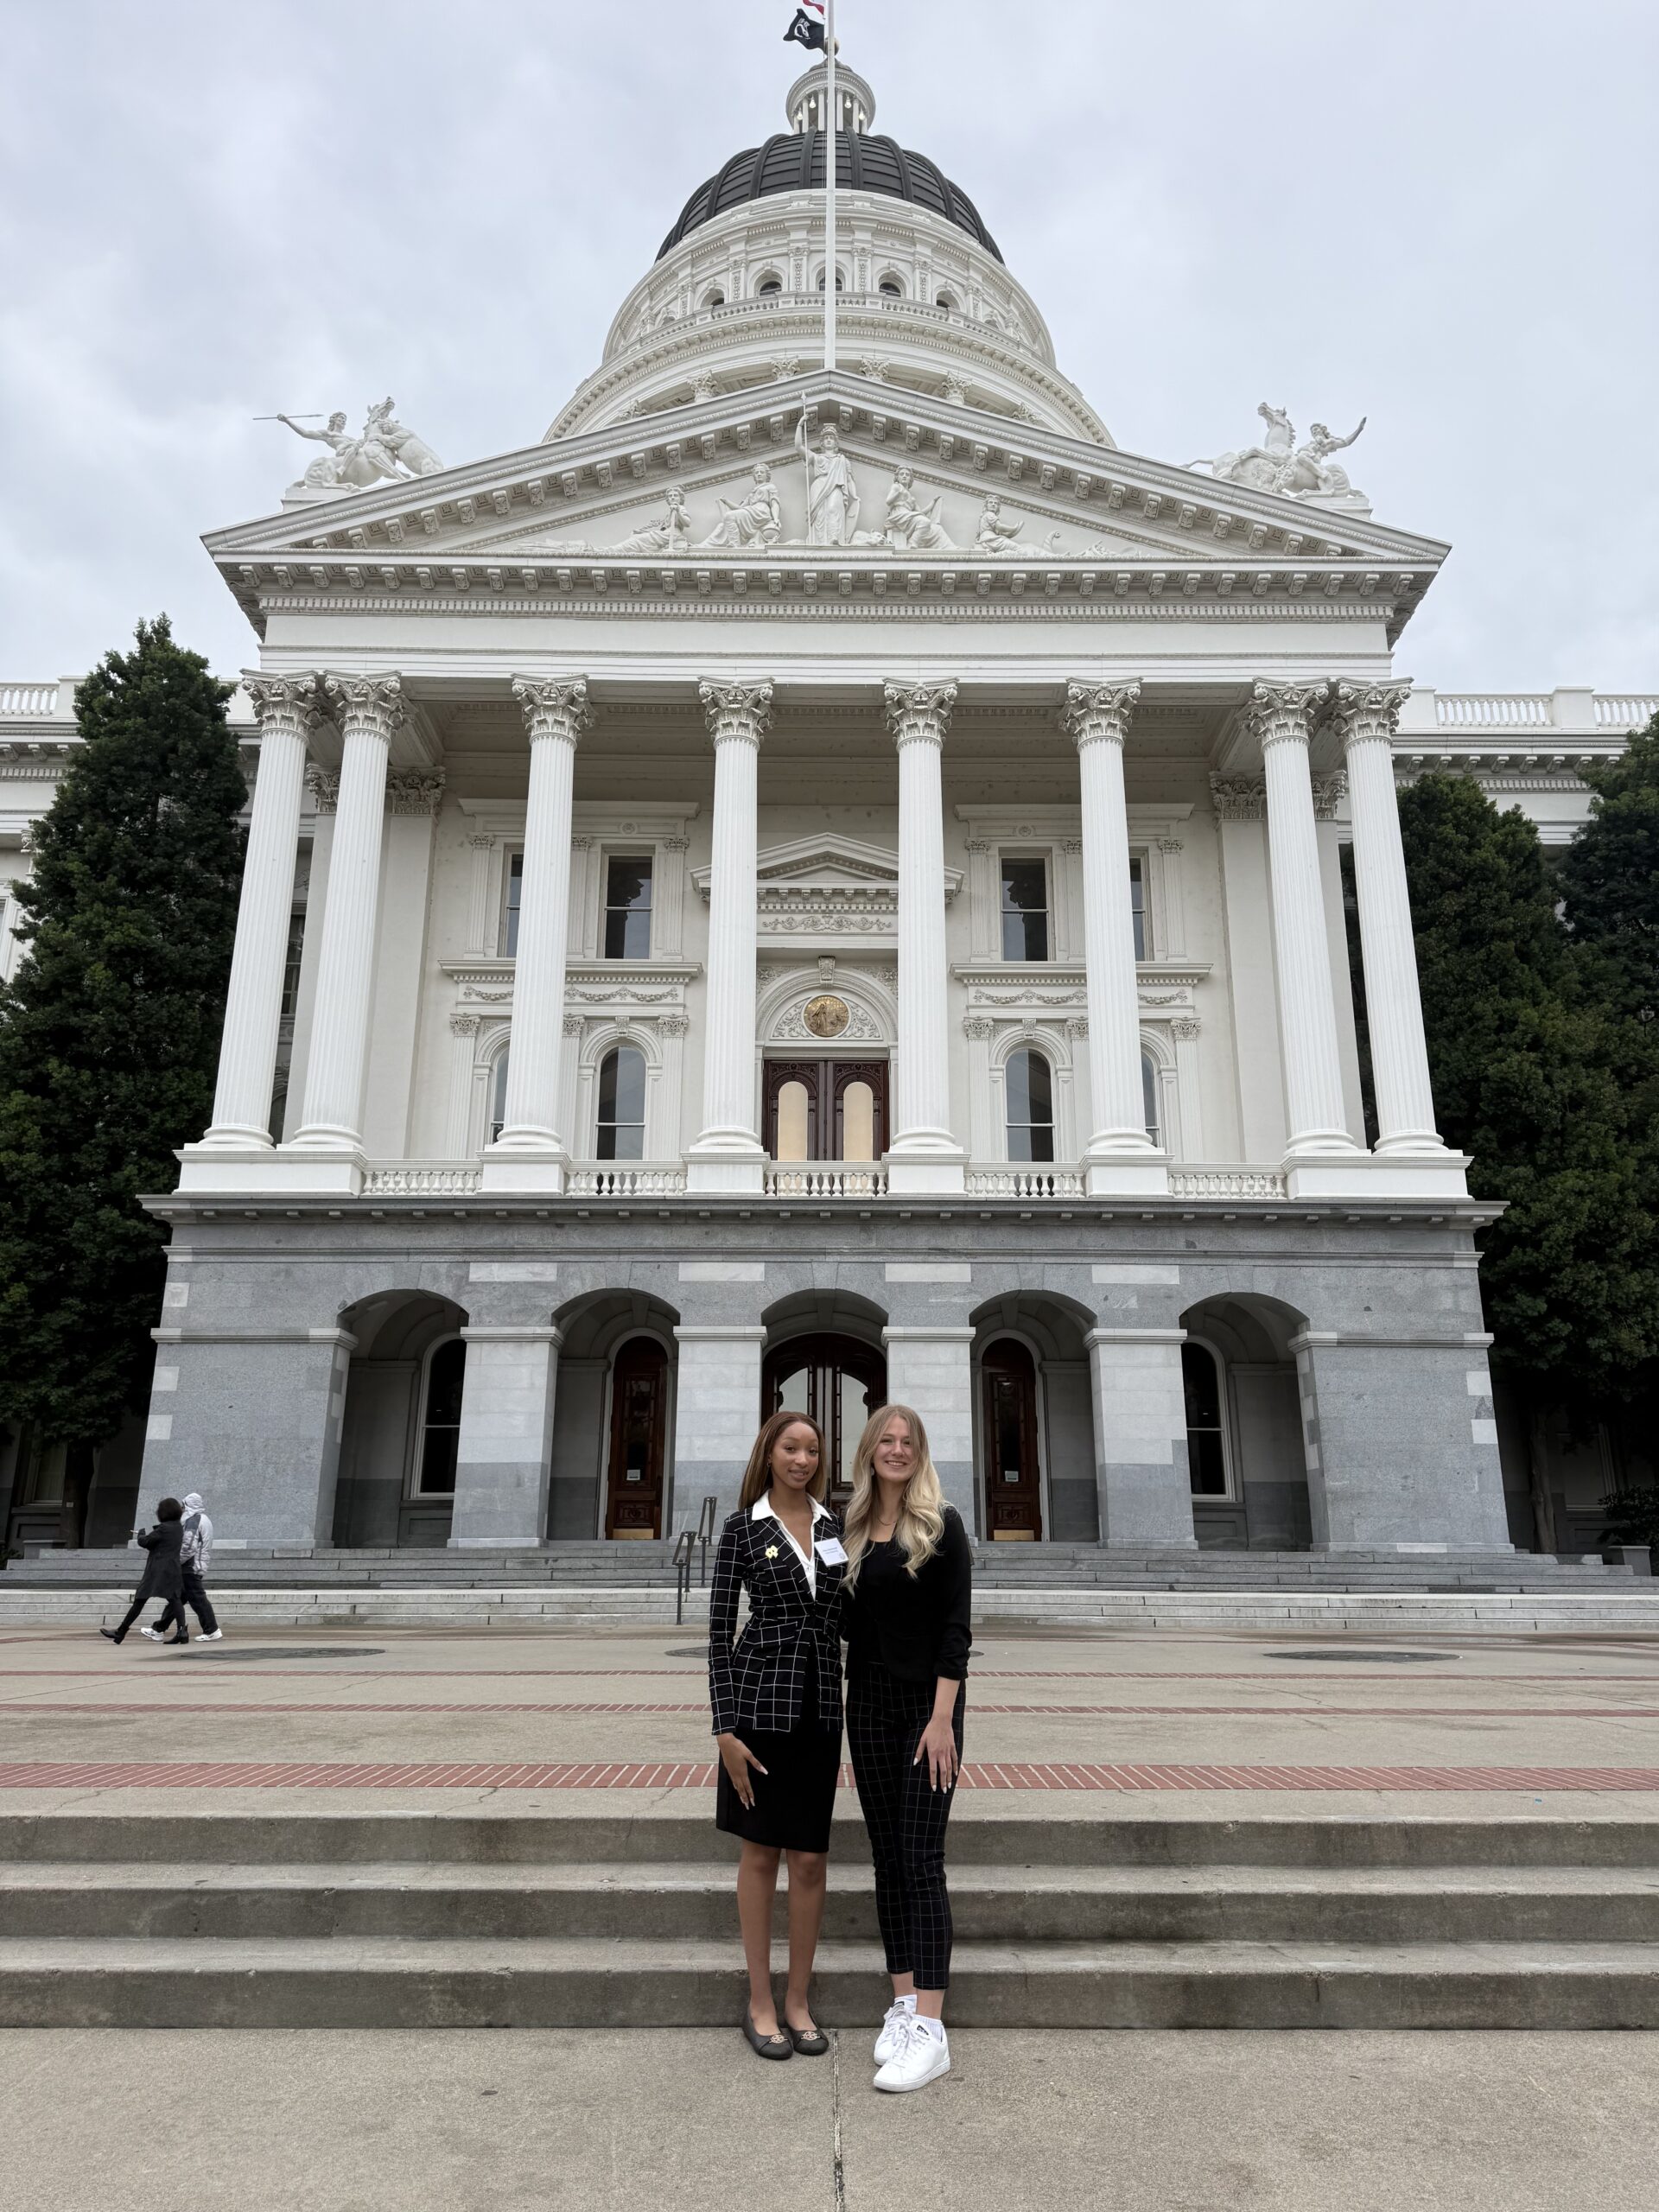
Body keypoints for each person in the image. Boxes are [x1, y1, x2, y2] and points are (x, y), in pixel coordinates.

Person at [708, 1408, 849, 2061]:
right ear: (769, 1453)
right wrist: (723, 1729)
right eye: (791, 1448)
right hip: (759, 1711)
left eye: (812, 1451)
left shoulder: (833, 1525)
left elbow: (848, 1616)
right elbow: (716, 1637)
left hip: (821, 1710)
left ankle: (798, 2001)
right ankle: (760, 2002)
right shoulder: (743, 1528)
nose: (802, 1460)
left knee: (812, 1861)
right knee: (761, 1856)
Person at [841, 1404, 972, 2094]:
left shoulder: (943, 1525)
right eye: (885, 1440)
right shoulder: (852, 1529)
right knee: (886, 1861)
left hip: (929, 1712)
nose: (896, 1450)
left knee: (921, 1861)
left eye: (907, 1442)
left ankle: (932, 2028)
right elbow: (835, 1621)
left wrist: (943, 1718)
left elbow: (956, 1629)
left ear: (921, 1453)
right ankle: (901, 2004)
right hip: (866, 1707)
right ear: (868, 1451)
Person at [99, 1497, 187, 1646]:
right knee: (175, 1600)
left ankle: (121, 1631)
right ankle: (182, 1631)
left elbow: (146, 1542)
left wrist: (140, 1534)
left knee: (140, 1600)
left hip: (157, 1570)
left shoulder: (164, 1528)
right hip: (172, 1569)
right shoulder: (178, 1527)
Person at [176, 1491, 222, 1643]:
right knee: (177, 1598)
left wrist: (176, 1561)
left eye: (183, 1506)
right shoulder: (204, 1519)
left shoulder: (193, 1520)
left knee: (197, 1599)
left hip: (191, 1566)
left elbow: (189, 1546)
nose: (182, 1509)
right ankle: (158, 1628)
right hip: (197, 1563)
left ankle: (212, 1630)